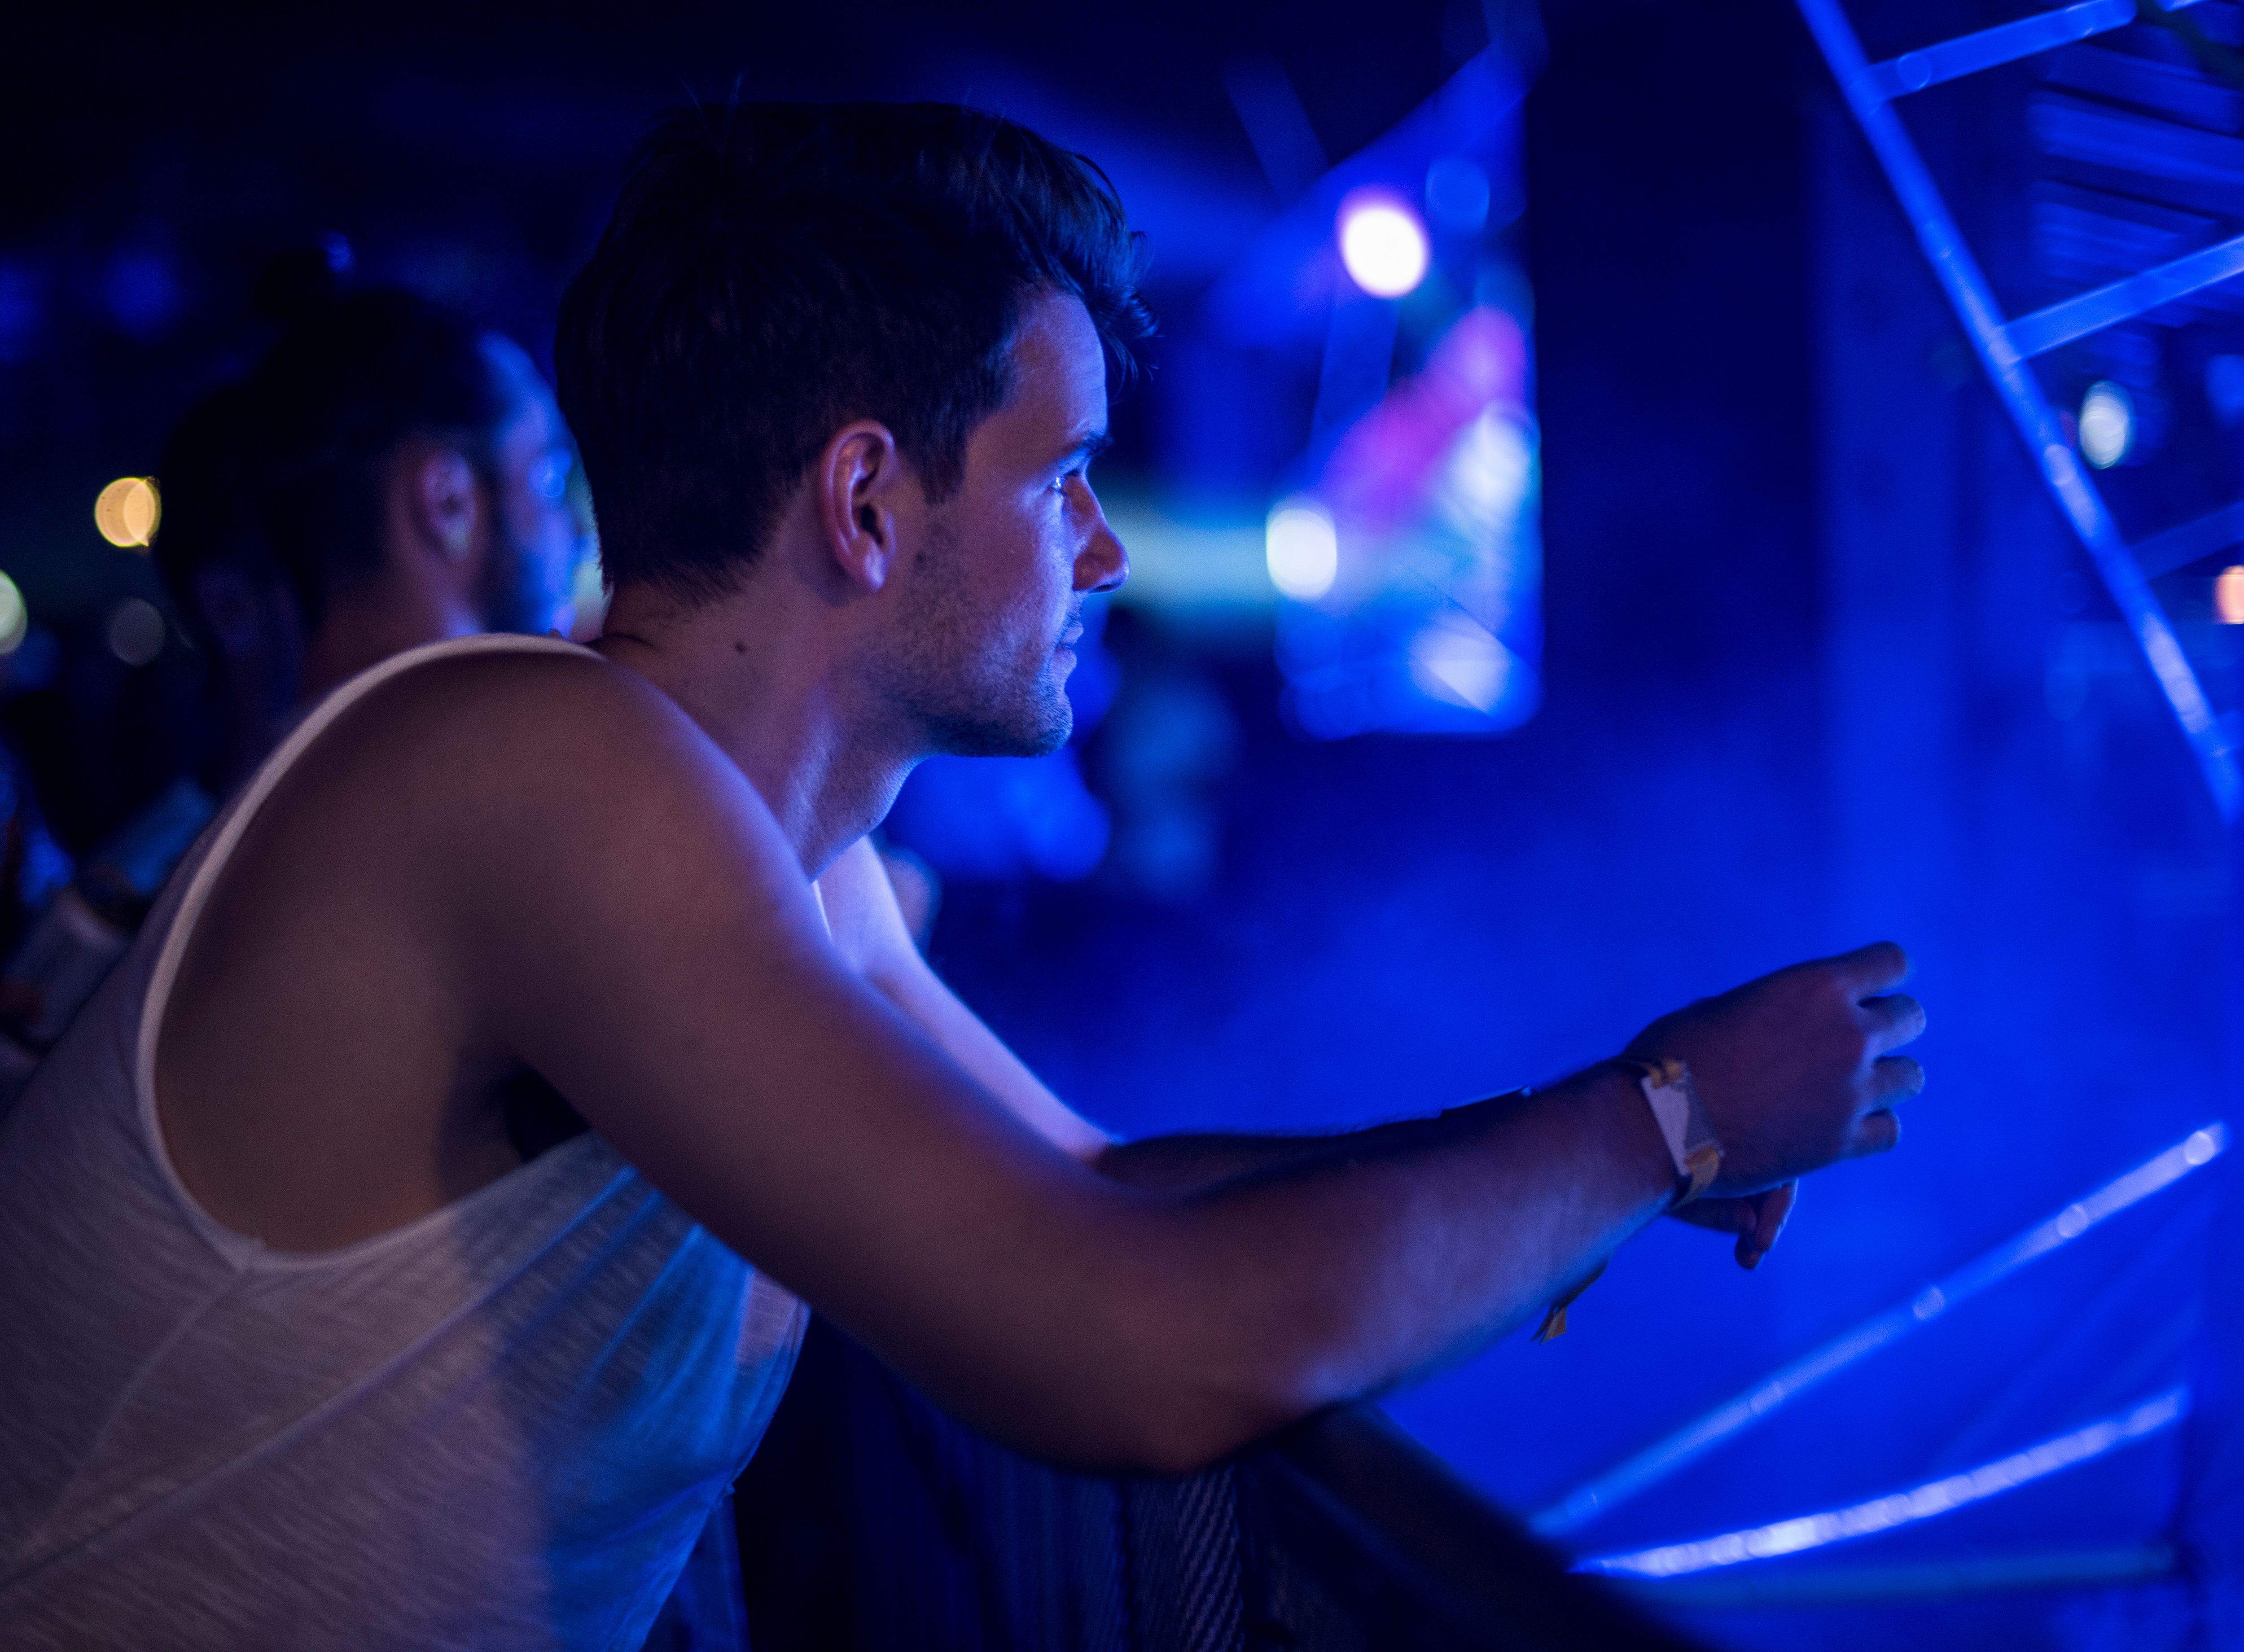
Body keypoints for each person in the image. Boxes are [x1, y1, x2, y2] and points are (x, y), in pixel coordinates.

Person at [0, 102, 1925, 1649]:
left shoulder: (765, 842)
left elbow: (1084, 1181)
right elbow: (1126, 1339)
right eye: (1063, 471)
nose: (1102, 553)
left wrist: (1574, 1144)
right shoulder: (530, 765)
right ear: (861, 501)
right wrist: (1659, 1121)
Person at [0, 286, 587, 1095]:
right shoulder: (180, 889)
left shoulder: (262, 836)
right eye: (549, 478)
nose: (578, 529)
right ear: (443, 497)